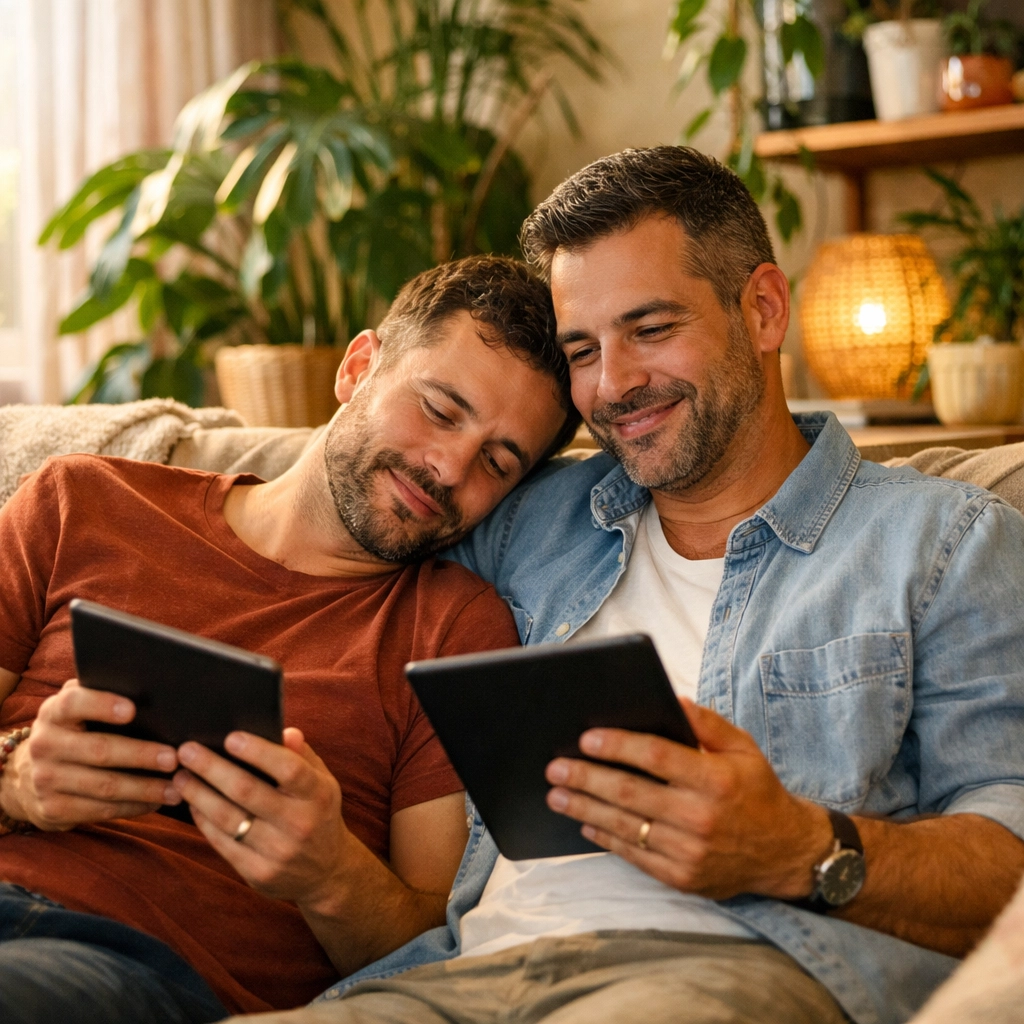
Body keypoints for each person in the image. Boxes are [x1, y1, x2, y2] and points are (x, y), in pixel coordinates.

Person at [240, 148, 1024, 1024]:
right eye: (584, 349)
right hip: (460, 976)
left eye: (651, 330)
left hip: (731, 969)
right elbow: (339, 555)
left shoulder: (944, 541)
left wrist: (796, 848)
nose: (613, 385)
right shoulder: (523, 521)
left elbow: (1013, 854)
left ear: (763, 310)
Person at [0, 256, 577, 1024]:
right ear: (359, 367)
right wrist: (17, 782)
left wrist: (330, 874)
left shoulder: (454, 630)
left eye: (497, 463)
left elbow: (435, 953)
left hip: (122, 968)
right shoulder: (81, 501)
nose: (447, 467)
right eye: (439, 410)